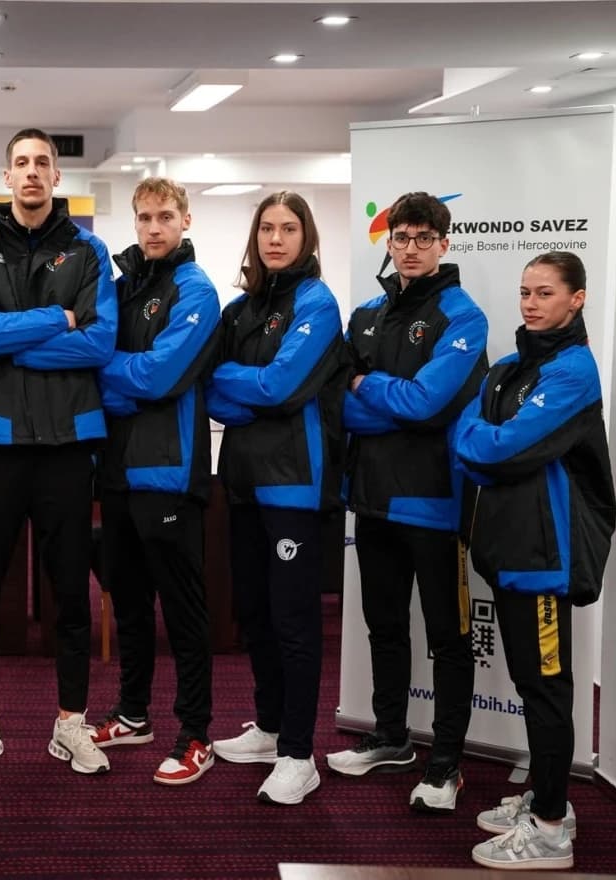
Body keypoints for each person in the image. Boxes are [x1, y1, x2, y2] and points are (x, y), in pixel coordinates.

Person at [0, 128, 117, 776]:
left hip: (67, 443)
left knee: (70, 591)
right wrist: (57, 318)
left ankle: (71, 722)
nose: (33, 172)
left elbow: (99, 343)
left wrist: (12, 343)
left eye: (43, 162)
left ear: (57, 175)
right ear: (7, 175)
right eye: (22, 162)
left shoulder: (89, 250)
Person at [325, 191, 488, 813]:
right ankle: (391, 737)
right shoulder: (366, 312)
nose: (412, 248)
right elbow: (338, 404)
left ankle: (446, 764)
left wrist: (369, 385)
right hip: (371, 499)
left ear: (444, 243)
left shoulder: (463, 316)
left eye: (424, 238)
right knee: (385, 627)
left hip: (435, 505)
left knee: (447, 638)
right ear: (388, 242)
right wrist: (390, 403)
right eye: (402, 237)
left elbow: (428, 404)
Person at [454, 251, 614, 870]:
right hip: (507, 548)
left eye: (545, 293)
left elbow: (507, 448)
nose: (530, 303)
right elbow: (470, 435)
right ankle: (551, 799)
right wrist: (483, 444)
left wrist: (483, 444)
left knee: (546, 689)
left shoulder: (573, 372)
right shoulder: (510, 368)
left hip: (545, 558)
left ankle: (549, 830)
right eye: (525, 292)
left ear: (577, 299)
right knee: (530, 682)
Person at [205, 191, 347, 805]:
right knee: (255, 612)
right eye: (267, 228)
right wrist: (255, 392)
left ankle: (298, 753)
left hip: (294, 480)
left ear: (306, 237)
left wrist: (250, 387)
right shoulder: (239, 310)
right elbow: (211, 390)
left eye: (288, 228)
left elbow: (283, 385)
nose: (276, 239)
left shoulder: (317, 303)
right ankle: (268, 727)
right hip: (241, 479)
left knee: (293, 620)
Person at [90, 178, 221, 785]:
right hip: (117, 472)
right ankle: (133, 713)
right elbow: (103, 370)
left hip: (169, 472)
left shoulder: (196, 290)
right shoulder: (122, 289)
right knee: (129, 602)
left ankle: (195, 733)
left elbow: (160, 376)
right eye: (144, 217)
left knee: (184, 612)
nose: (153, 228)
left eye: (165, 216)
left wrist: (110, 372)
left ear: (185, 220)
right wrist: (121, 378)